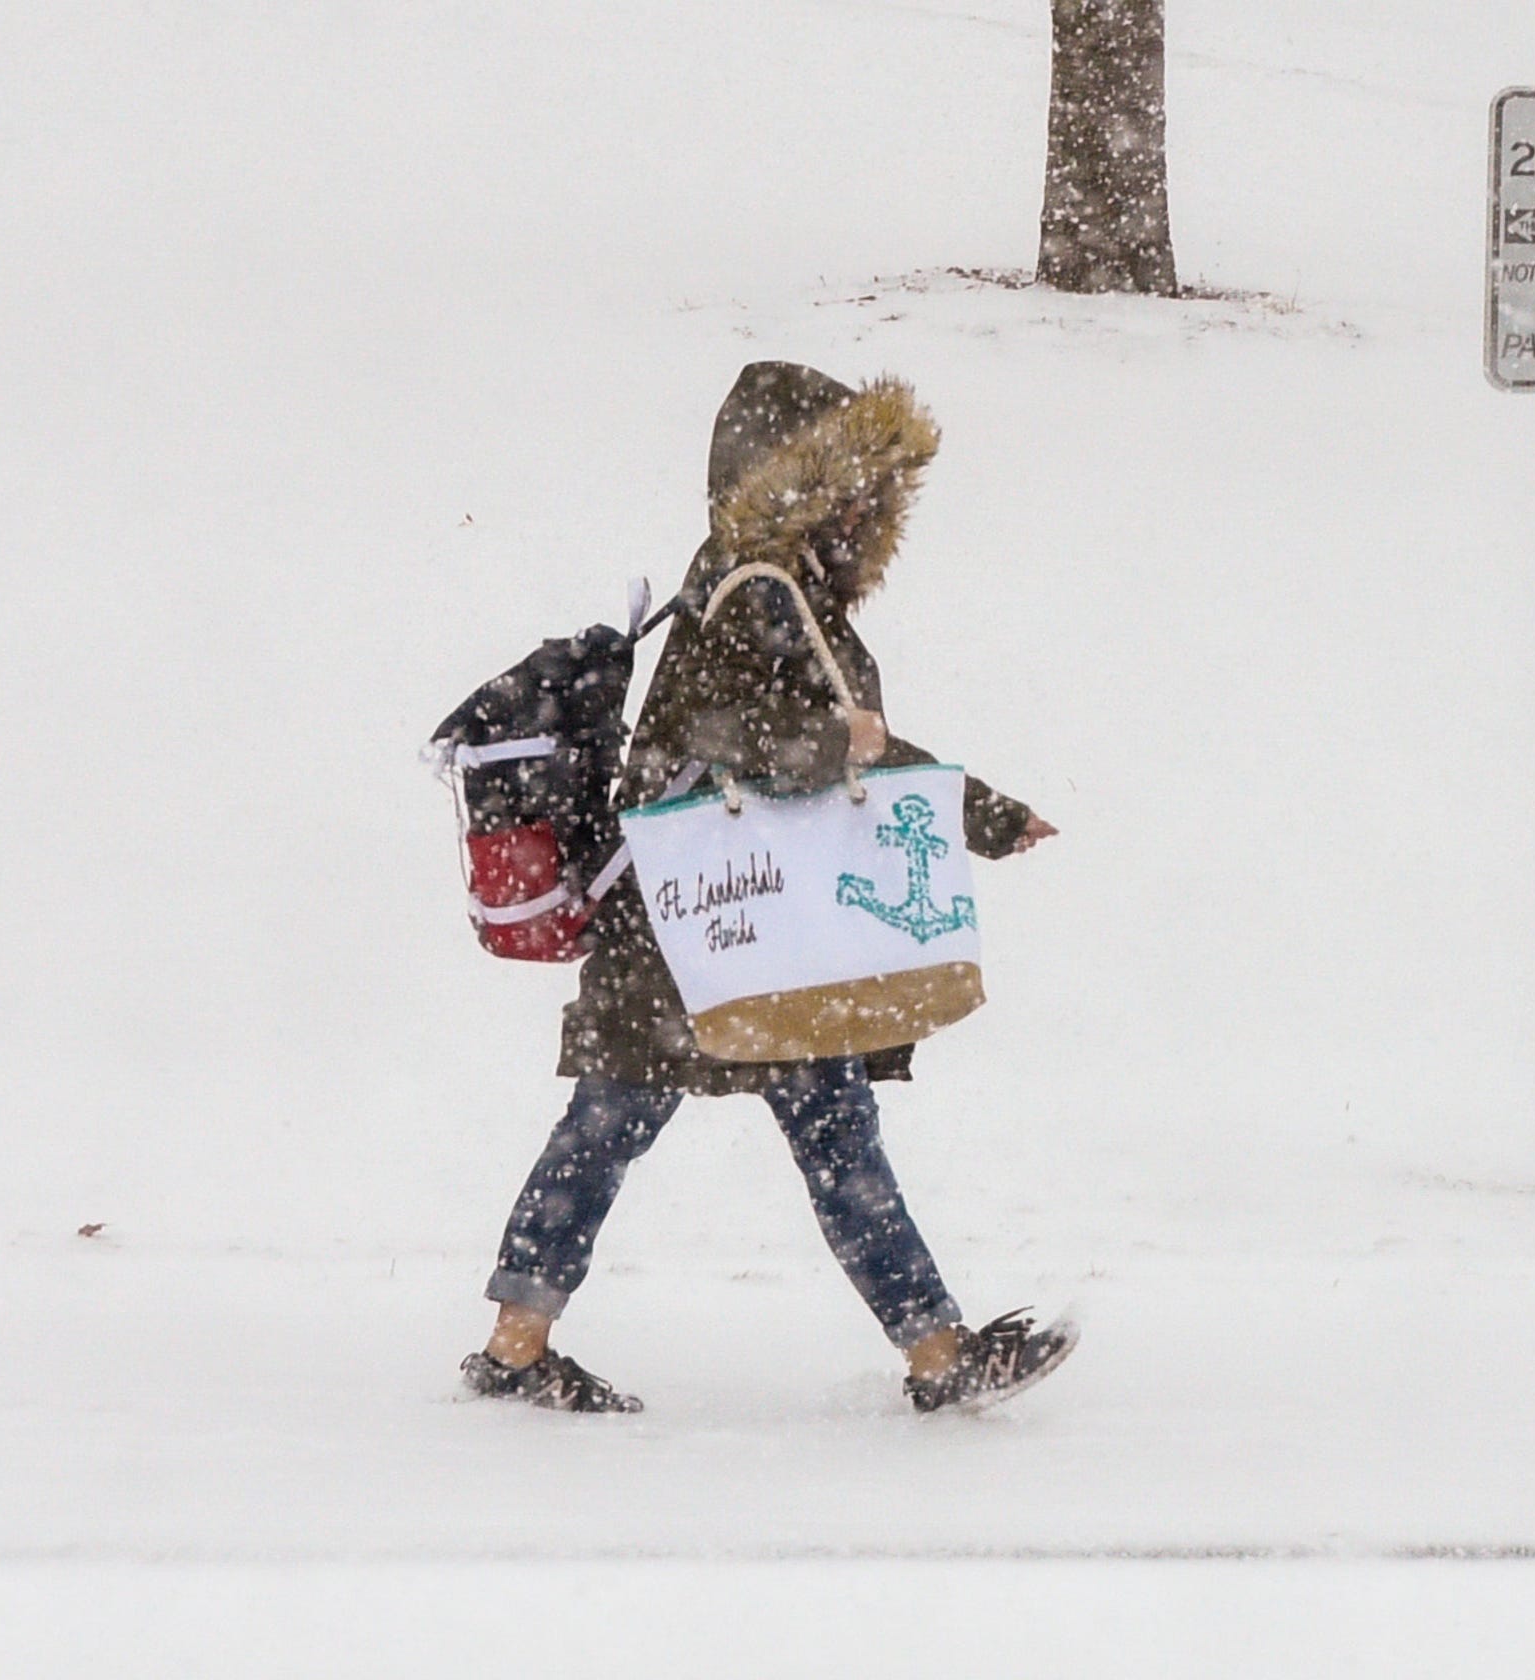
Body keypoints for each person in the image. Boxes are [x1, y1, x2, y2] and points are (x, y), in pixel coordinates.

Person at [459, 362, 1074, 1416]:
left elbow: (828, 744)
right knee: (626, 1127)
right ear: (800, 482)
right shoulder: (752, 589)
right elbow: (719, 739)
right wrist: (842, 744)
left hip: (753, 925)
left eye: (877, 489)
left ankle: (937, 1353)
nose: (866, 507)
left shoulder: (778, 588)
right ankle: (516, 1349)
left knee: (784, 1130)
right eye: (853, 483)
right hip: (702, 927)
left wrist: (979, 812)